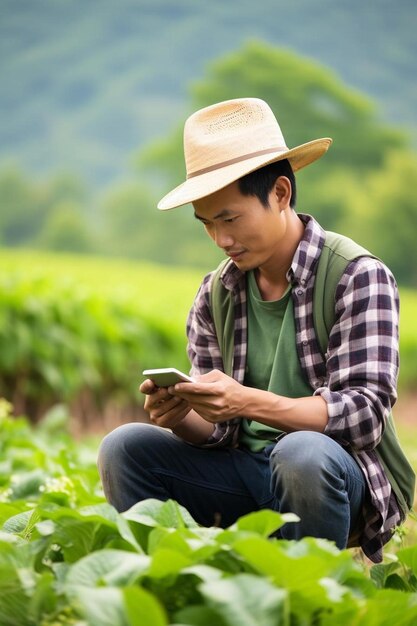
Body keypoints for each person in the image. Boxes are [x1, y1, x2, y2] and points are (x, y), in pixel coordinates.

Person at [98, 97, 414, 563]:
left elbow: (364, 415)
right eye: (207, 224)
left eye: (230, 218)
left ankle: (307, 594)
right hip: (245, 474)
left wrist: (248, 401)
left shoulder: (356, 275)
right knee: (125, 447)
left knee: (302, 454)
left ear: (281, 193)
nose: (221, 239)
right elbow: (221, 431)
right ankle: (174, 586)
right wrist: (182, 414)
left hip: (336, 479)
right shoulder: (216, 293)